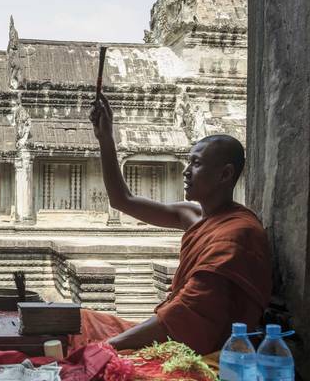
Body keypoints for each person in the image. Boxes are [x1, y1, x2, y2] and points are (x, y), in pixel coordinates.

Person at [80, 93, 272, 355]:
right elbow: (121, 200)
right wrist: (105, 138)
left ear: (225, 174)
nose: (186, 170)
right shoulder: (190, 214)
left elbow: (188, 312)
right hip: (173, 324)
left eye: (196, 163)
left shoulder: (238, 233)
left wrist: (110, 346)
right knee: (80, 322)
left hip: (198, 343)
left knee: (97, 351)